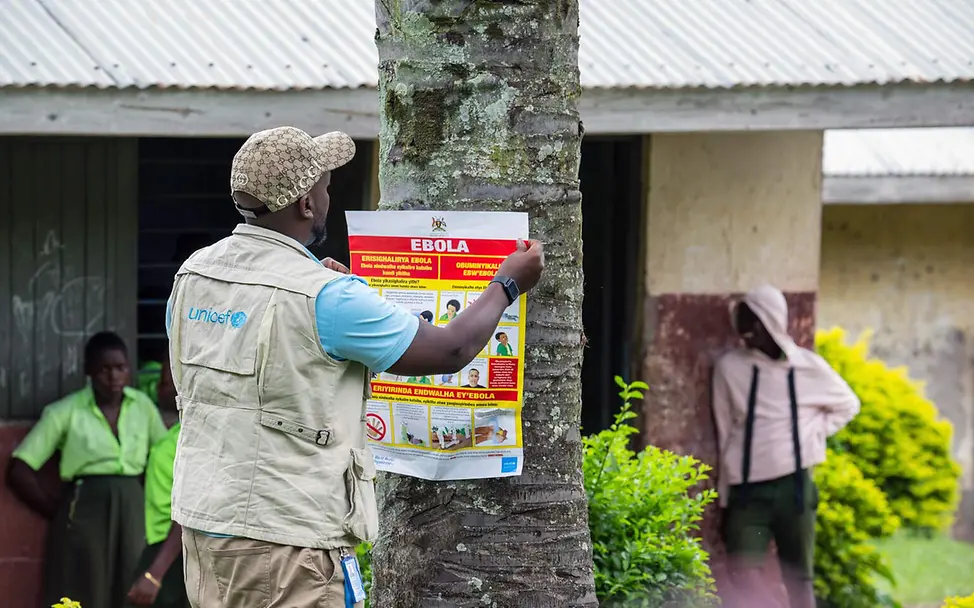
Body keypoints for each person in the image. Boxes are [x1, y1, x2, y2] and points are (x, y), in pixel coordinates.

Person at [165, 126, 543, 608]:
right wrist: (507, 284)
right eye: (325, 186)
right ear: (306, 204)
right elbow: (450, 350)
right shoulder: (328, 297)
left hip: (205, 528)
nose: (328, 195)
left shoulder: (195, 274)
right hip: (288, 541)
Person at [712, 284, 860, 608]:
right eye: (743, 322)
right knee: (742, 572)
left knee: (799, 579)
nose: (746, 332)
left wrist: (812, 434)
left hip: (794, 488)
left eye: (754, 322)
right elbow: (725, 431)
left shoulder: (807, 367)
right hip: (747, 490)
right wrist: (724, 494)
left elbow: (849, 404)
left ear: (772, 321)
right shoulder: (730, 368)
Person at [7, 331, 167, 608]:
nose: (114, 376)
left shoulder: (142, 407)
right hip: (85, 512)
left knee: (131, 579)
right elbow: (19, 468)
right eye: (105, 369)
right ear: (89, 371)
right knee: (84, 584)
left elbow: (163, 454)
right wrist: (56, 510)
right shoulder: (66, 411)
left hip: (133, 508)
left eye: (120, 368)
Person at [127, 357, 189, 607]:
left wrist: (155, 574)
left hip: (174, 548)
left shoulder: (190, 439)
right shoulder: (174, 432)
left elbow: (188, 508)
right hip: (159, 542)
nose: (160, 388)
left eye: (167, 381)